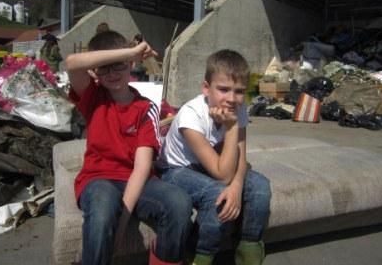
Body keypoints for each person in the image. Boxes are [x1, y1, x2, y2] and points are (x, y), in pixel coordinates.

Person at [65, 30, 192, 265]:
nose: (112, 74)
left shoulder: (146, 109)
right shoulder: (93, 96)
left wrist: (123, 221)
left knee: (179, 202)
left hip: (137, 180)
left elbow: (142, 168)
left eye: (120, 66)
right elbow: (72, 63)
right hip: (98, 179)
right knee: (102, 208)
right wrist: (131, 51)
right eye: (105, 67)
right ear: (95, 70)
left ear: (131, 65)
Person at [158, 49, 271, 265]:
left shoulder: (240, 107)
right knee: (217, 193)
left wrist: (237, 187)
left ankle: (248, 248)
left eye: (239, 91)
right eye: (223, 89)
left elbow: (241, 157)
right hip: (176, 170)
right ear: (206, 88)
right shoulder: (191, 116)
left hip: (213, 165)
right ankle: (200, 254)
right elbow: (222, 176)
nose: (231, 98)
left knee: (259, 187)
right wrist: (231, 127)